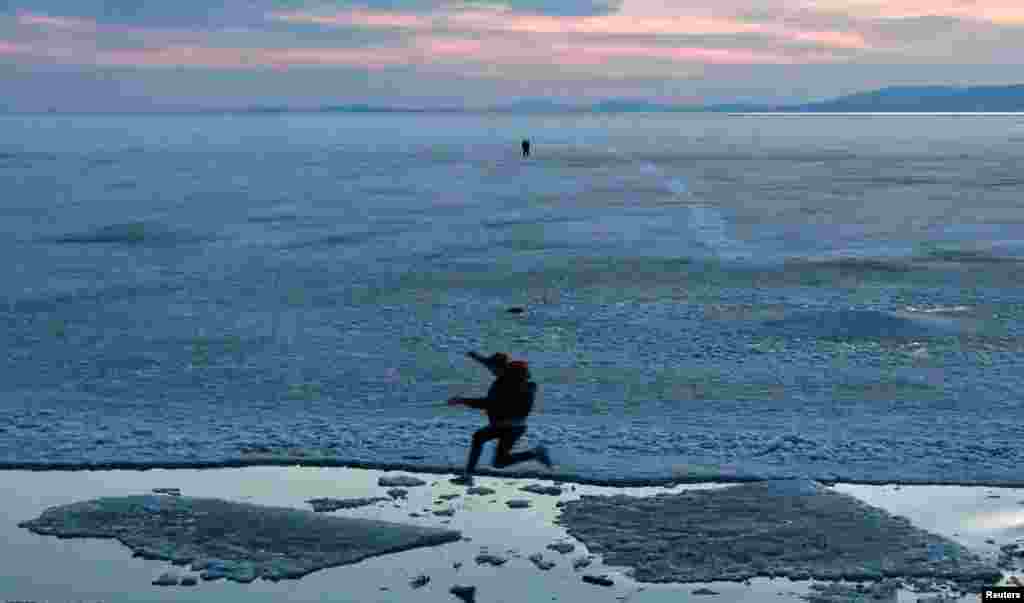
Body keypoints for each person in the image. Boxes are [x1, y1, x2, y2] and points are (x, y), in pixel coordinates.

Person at [448, 351, 552, 485]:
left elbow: (488, 404)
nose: (491, 372)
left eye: (493, 369)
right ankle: (468, 475)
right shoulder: (507, 373)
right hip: (507, 425)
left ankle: (535, 453)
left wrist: (462, 401)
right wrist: (475, 356)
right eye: (491, 368)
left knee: (487, 447)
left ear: (501, 368)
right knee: (493, 454)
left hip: (511, 427)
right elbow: (488, 363)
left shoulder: (508, 384)